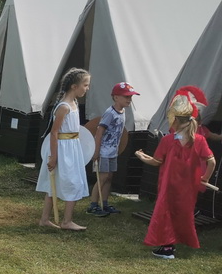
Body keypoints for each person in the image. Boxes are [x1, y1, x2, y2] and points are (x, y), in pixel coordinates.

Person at [135, 88, 216, 260]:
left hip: (169, 186)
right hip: (188, 188)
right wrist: (205, 178)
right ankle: (173, 244)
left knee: (166, 214)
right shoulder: (199, 140)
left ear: (175, 120)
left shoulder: (168, 140)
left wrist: (141, 157)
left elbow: (156, 162)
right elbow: (212, 161)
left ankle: (167, 248)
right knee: (182, 214)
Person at [37, 68, 91, 230]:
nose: (87, 88)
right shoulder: (64, 107)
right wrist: (54, 157)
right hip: (62, 149)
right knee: (67, 183)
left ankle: (51, 219)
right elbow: (54, 132)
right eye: (85, 85)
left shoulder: (74, 104)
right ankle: (64, 221)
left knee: (71, 182)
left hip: (72, 148)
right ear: (74, 86)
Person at [88, 82, 139, 216]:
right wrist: (96, 151)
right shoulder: (110, 113)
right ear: (116, 97)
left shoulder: (123, 112)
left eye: (130, 97)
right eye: (126, 97)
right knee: (102, 177)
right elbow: (99, 131)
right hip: (104, 152)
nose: (129, 100)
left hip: (112, 152)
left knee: (109, 177)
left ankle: (104, 203)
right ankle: (93, 205)